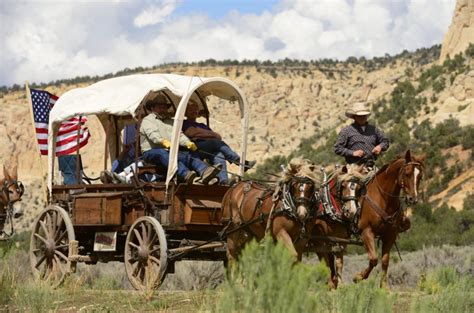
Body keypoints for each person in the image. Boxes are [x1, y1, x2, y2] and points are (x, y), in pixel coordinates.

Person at [140, 95, 221, 185]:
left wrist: (188, 143)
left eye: (164, 108)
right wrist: (163, 142)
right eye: (160, 107)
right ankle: (185, 174)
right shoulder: (147, 120)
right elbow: (153, 135)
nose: (162, 110)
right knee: (162, 153)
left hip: (169, 150)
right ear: (153, 108)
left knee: (189, 154)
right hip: (151, 151)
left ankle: (205, 172)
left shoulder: (171, 121)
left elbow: (179, 135)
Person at [182, 100, 256, 185]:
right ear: (186, 112)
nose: (194, 111)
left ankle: (223, 181)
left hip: (207, 147)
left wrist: (199, 133)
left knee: (219, 154)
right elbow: (191, 133)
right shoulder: (184, 123)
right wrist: (208, 134)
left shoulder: (202, 125)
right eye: (191, 110)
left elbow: (218, 136)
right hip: (195, 148)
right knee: (215, 143)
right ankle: (239, 161)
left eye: (195, 109)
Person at [334, 101, 389, 171]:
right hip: (353, 167)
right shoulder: (346, 131)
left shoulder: (374, 130)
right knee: (351, 181)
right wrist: (353, 153)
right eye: (359, 116)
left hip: (371, 166)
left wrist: (380, 146)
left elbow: (385, 141)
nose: (362, 117)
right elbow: (338, 148)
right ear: (354, 117)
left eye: (364, 115)